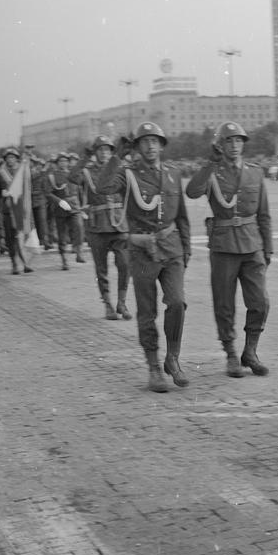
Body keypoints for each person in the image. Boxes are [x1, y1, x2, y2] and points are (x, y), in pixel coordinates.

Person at [95, 121, 191, 393]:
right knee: (147, 312)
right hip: (142, 251)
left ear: (162, 145)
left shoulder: (173, 173)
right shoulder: (128, 174)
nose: (150, 146)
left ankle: (172, 358)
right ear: (136, 147)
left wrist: (186, 248)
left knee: (177, 302)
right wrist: (117, 157)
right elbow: (102, 188)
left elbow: (181, 214)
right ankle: (153, 367)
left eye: (155, 141)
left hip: (171, 247)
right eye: (144, 141)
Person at [185, 121, 273, 378]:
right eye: (228, 141)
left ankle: (251, 351)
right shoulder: (212, 171)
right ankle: (231, 354)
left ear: (243, 144)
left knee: (260, 302)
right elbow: (191, 192)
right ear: (220, 146)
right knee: (224, 304)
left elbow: (264, 213)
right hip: (224, 246)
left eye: (238, 141)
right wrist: (210, 164)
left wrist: (268, 248)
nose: (234, 146)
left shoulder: (255, 173)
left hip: (252, 244)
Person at [69, 134, 132, 321]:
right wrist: (84, 158)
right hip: (97, 227)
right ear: (95, 153)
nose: (104, 153)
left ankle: (122, 302)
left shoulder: (120, 169)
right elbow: (72, 177)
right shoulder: (87, 172)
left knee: (125, 264)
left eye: (107, 149)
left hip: (119, 225)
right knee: (101, 269)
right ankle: (107, 304)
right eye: (100, 150)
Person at [45, 151, 86, 270]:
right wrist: (59, 201)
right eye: (61, 161)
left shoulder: (73, 174)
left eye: (65, 160)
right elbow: (48, 193)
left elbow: (80, 190)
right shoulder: (52, 176)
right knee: (62, 234)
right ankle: (64, 259)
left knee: (79, 227)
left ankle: (79, 252)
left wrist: (83, 206)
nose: (64, 163)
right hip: (60, 207)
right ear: (57, 163)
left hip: (74, 205)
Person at [0, 147, 34, 274]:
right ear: (5, 159)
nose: (10, 160)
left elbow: (28, 188)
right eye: (8, 157)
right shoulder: (1, 174)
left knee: (22, 237)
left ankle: (25, 263)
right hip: (7, 210)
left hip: (20, 211)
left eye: (12, 157)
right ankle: (14, 263)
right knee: (10, 239)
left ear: (16, 159)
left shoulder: (22, 172)